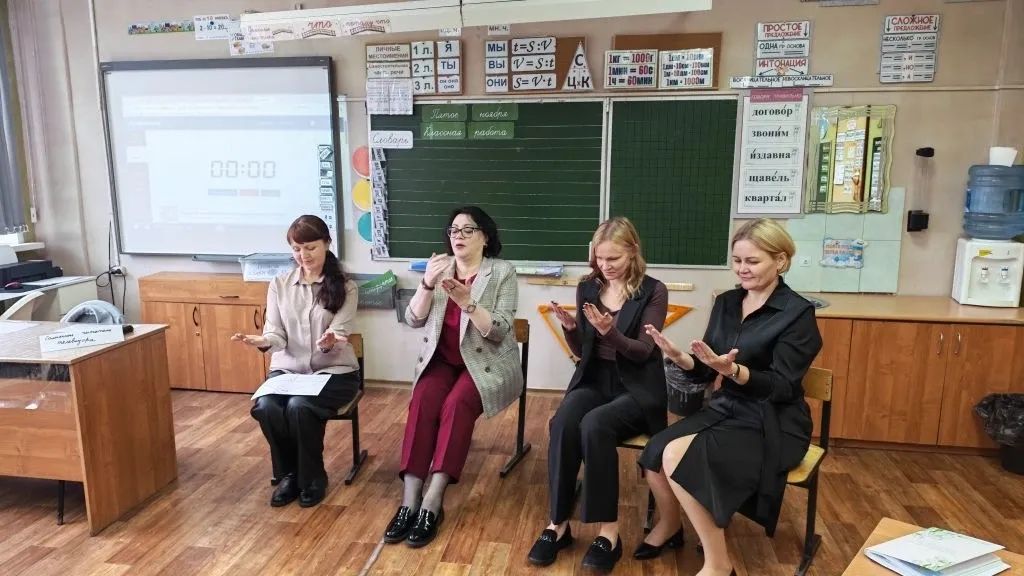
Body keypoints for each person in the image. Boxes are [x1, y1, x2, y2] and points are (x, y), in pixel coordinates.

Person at [638, 218, 822, 576]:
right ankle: (671, 524)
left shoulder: (798, 313)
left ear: (780, 261)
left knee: (677, 455)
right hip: (728, 408)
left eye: (752, 261)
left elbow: (783, 387)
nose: (742, 269)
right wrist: (679, 357)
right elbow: (708, 370)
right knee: (655, 453)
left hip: (774, 420)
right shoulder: (726, 302)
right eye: (737, 261)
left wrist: (735, 371)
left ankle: (718, 564)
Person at [527, 217, 669, 572]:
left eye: (613, 259)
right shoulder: (588, 286)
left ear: (633, 251)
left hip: (637, 386)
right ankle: (558, 524)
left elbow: (643, 352)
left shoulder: (653, 291)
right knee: (563, 421)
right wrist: (571, 329)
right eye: (599, 258)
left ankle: (609, 533)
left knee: (595, 425)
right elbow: (583, 350)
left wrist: (611, 333)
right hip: (595, 379)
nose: (605, 265)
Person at [384, 206, 522, 548]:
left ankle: (433, 499)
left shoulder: (502, 272)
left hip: (484, 363)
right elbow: (413, 320)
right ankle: (409, 499)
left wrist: (468, 303)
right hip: (443, 361)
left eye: (467, 230)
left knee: (457, 404)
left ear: (485, 237)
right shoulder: (439, 268)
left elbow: (500, 331)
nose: (458, 236)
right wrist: (426, 284)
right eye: (453, 230)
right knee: (423, 400)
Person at [234, 215, 360, 508]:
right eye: (296, 249)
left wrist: (331, 340)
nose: (303, 255)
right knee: (266, 407)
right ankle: (289, 475)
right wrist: (263, 341)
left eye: (310, 247)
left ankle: (313, 478)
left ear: (327, 244)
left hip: (334, 372)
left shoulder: (346, 286)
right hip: (288, 371)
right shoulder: (279, 285)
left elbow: (340, 330)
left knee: (299, 406)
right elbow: (275, 333)